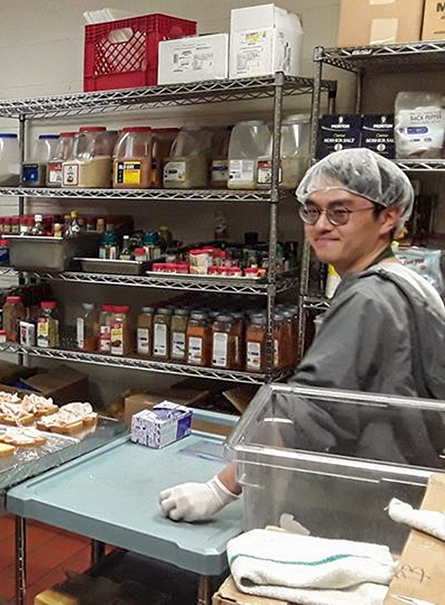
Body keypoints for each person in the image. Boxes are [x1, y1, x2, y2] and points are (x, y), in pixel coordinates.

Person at [159, 148, 445, 523]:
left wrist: (219, 489)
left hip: (378, 501)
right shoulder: (405, 279)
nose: (321, 224)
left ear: (387, 217)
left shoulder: (369, 299)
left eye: (340, 211)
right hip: (412, 486)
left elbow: (308, 411)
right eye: (312, 210)